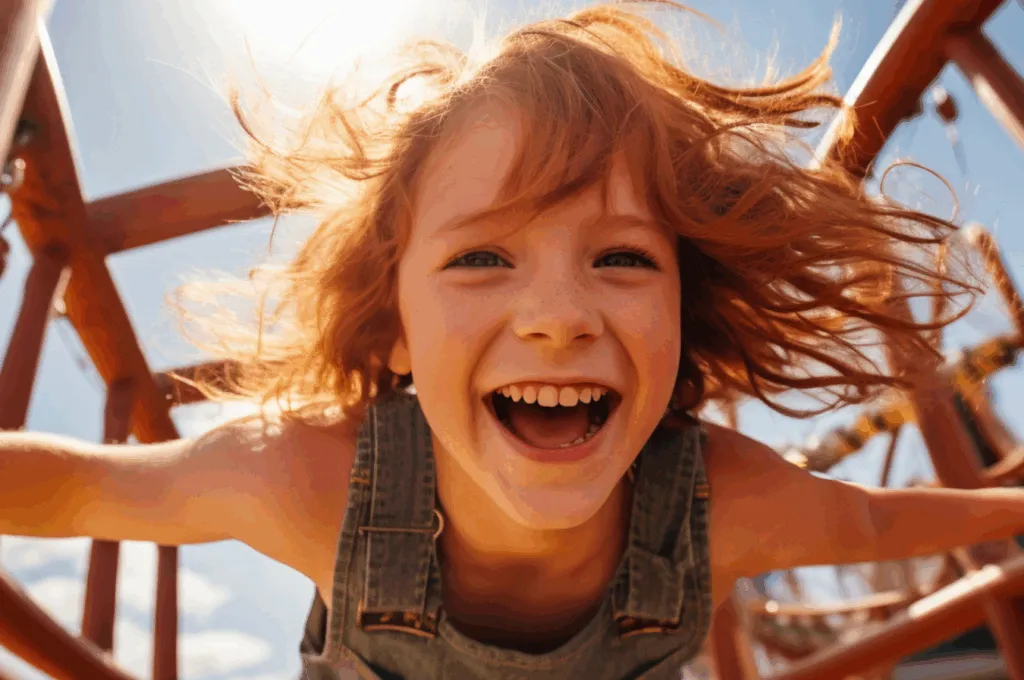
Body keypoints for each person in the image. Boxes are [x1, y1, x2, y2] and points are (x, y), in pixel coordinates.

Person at [2, 2, 1023, 679]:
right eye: (481, 258)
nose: (557, 313)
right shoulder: (305, 481)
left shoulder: (720, 502)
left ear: (684, 309)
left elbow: (871, 521)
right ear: (395, 334)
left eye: (621, 258)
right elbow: (86, 486)